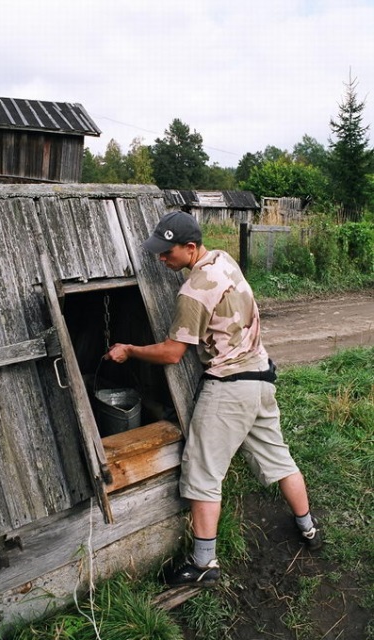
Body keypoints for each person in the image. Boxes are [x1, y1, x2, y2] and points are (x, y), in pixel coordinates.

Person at [105, 210, 322, 587]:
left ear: (190, 248)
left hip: (230, 387)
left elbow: (173, 353)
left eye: (167, 253)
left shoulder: (194, 290)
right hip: (261, 378)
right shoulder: (223, 259)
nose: (161, 259)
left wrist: (130, 350)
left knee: (204, 472)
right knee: (280, 458)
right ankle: (308, 529)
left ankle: (203, 564)